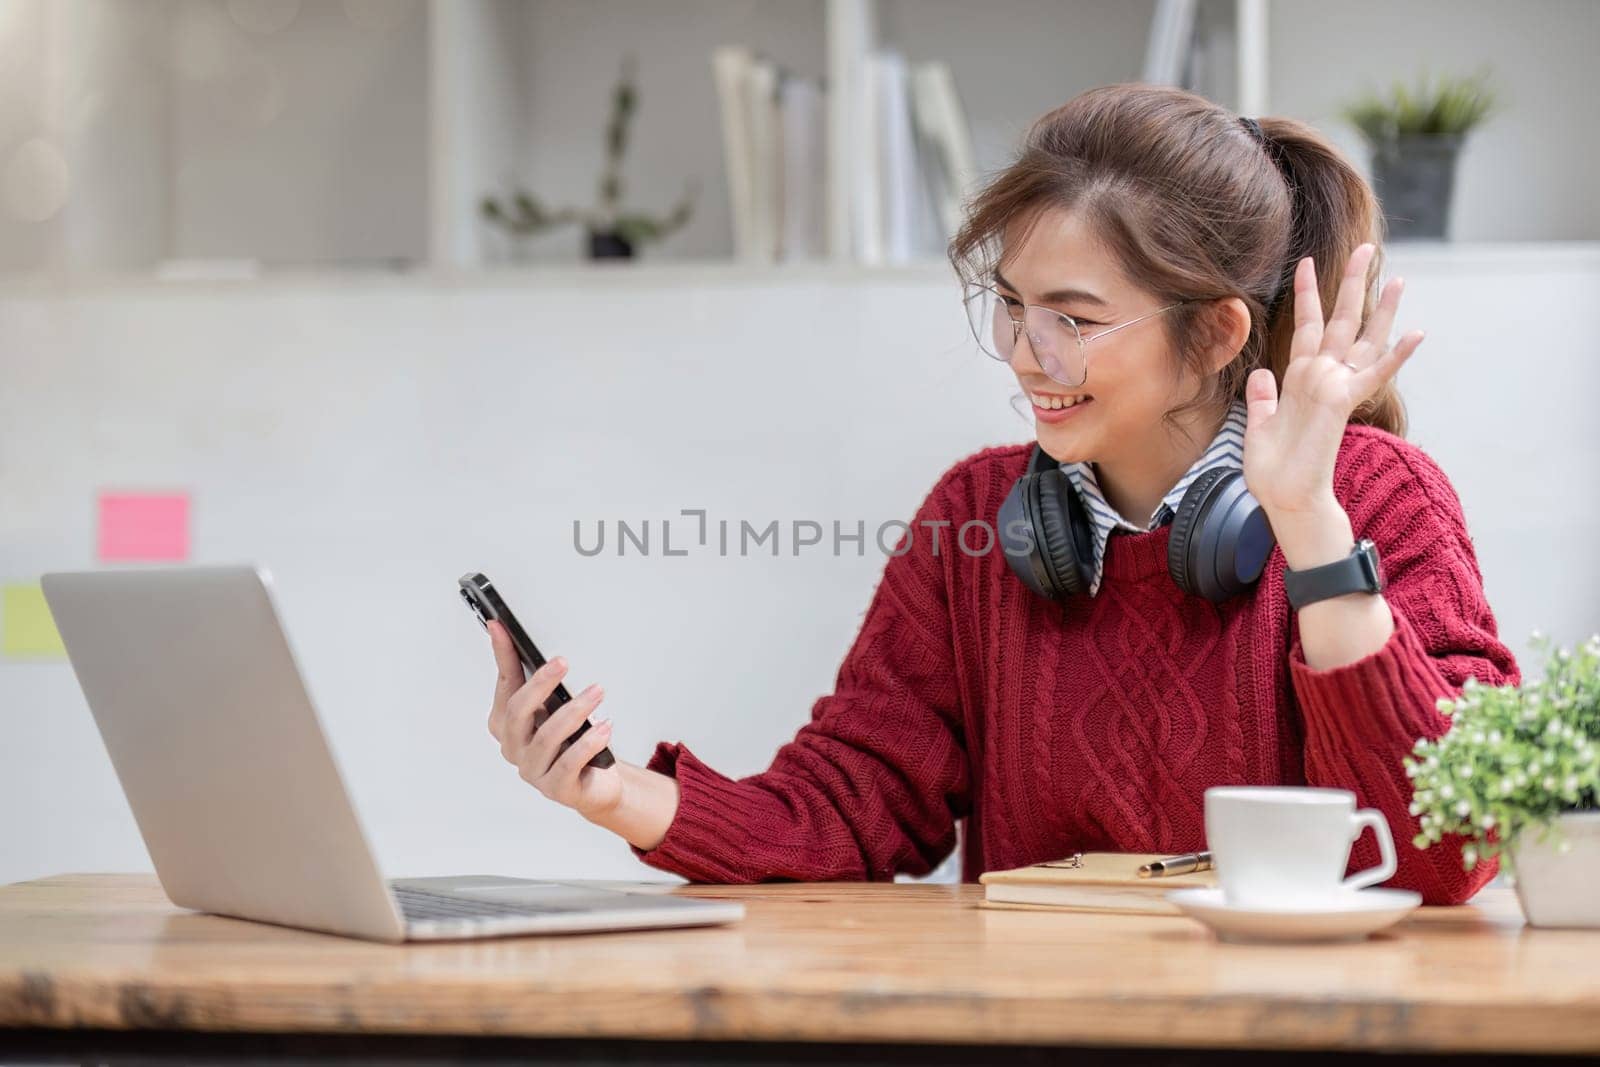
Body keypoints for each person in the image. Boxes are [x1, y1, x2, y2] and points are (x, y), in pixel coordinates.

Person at [482, 84, 1518, 905]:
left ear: (1211, 334)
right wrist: (615, 793)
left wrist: (1310, 529)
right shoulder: (974, 517)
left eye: (1073, 317)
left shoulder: (1378, 498)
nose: (1027, 356)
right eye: (1012, 307)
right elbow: (848, 809)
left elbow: (1449, 852)